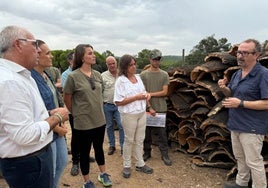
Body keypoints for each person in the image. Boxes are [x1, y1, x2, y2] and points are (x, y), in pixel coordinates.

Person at [0, 25, 68, 188]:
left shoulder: (22, 76)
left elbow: (28, 116)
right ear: (18, 44)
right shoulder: (10, 82)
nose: (38, 50)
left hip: (33, 159)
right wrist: (57, 117)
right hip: (28, 163)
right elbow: (23, 135)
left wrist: (50, 112)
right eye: (34, 44)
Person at [218, 39, 268, 188]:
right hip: (236, 124)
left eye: (245, 53)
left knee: (254, 161)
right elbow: (232, 93)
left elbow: (267, 103)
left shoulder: (263, 74)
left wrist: (240, 103)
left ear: (256, 55)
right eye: (239, 52)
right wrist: (223, 88)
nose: (240, 56)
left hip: (252, 127)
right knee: (240, 158)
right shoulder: (238, 74)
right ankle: (241, 183)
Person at [63, 44, 112, 188]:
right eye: (90, 53)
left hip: (99, 120)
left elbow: (99, 95)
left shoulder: (97, 75)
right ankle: (87, 181)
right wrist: (77, 112)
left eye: (93, 53)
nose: (93, 55)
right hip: (83, 122)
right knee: (84, 152)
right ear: (82, 57)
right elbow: (67, 98)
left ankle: (103, 174)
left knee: (99, 148)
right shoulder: (73, 76)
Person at [30, 40, 68, 188]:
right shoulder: (32, 79)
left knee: (62, 161)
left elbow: (55, 101)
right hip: (47, 130)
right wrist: (57, 127)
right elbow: (36, 111)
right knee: (49, 169)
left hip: (56, 126)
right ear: (37, 56)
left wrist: (60, 122)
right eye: (48, 53)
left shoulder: (47, 75)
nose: (51, 56)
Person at [114, 54, 153, 179]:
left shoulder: (138, 77)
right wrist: (136, 97)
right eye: (131, 65)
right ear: (124, 67)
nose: (134, 66)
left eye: (134, 64)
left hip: (141, 113)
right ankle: (126, 165)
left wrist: (147, 97)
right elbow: (118, 101)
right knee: (129, 140)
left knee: (140, 139)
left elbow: (143, 92)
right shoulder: (120, 81)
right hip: (129, 114)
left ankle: (140, 163)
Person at [61, 52, 96, 177]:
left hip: (87, 112)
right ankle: (76, 162)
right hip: (75, 113)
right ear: (70, 61)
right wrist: (74, 111)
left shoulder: (84, 73)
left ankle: (84, 156)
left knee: (88, 136)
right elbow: (68, 95)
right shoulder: (67, 75)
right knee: (76, 137)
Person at [140, 49, 172, 166]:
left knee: (162, 135)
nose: (156, 61)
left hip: (161, 109)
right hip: (147, 109)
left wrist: (151, 94)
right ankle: (147, 153)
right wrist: (149, 107)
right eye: (154, 59)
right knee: (146, 134)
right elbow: (143, 93)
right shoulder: (143, 75)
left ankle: (165, 154)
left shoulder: (164, 74)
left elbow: (165, 92)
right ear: (150, 60)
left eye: (158, 59)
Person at [101, 56, 124, 155]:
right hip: (107, 105)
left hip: (120, 105)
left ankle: (123, 146)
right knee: (109, 126)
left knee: (121, 125)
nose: (112, 65)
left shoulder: (122, 75)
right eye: (109, 64)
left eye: (113, 63)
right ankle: (112, 145)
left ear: (116, 63)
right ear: (107, 65)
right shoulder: (102, 76)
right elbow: (99, 90)